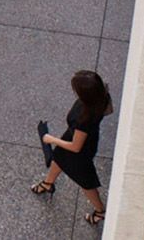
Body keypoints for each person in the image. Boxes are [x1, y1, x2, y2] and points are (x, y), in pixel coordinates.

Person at [31, 70, 113, 226]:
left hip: (78, 153)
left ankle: (100, 211)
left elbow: (75, 147)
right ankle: (48, 183)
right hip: (80, 139)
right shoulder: (101, 97)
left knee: (86, 182)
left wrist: (51, 139)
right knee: (58, 157)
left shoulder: (84, 118)